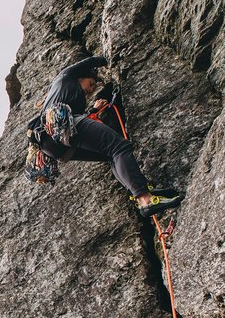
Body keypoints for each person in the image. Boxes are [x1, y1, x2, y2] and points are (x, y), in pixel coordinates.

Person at [40, 56, 182, 217]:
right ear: (80, 77)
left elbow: (76, 127)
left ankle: (139, 192)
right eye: (91, 83)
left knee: (109, 155)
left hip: (51, 144)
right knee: (119, 147)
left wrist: (93, 112)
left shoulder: (66, 96)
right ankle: (145, 199)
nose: (91, 89)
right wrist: (109, 58)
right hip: (61, 128)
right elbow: (89, 62)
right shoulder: (65, 77)